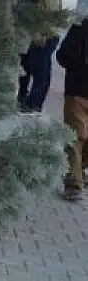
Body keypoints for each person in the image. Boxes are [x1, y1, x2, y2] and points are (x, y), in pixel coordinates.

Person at [18, 0, 64, 114]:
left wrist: (41, 34)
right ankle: (27, 99)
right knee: (30, 66)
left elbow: (51, 14)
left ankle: (34, 103)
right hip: (35, 35)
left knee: (40, 70)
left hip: (45, 36)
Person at [56, 15, 88, 201]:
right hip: (77, 91)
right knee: (78, 137)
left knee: (75, 137)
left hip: (77, 90)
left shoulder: (79, 26)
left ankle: (75, 181)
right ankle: (77, 175)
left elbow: (63, 56)